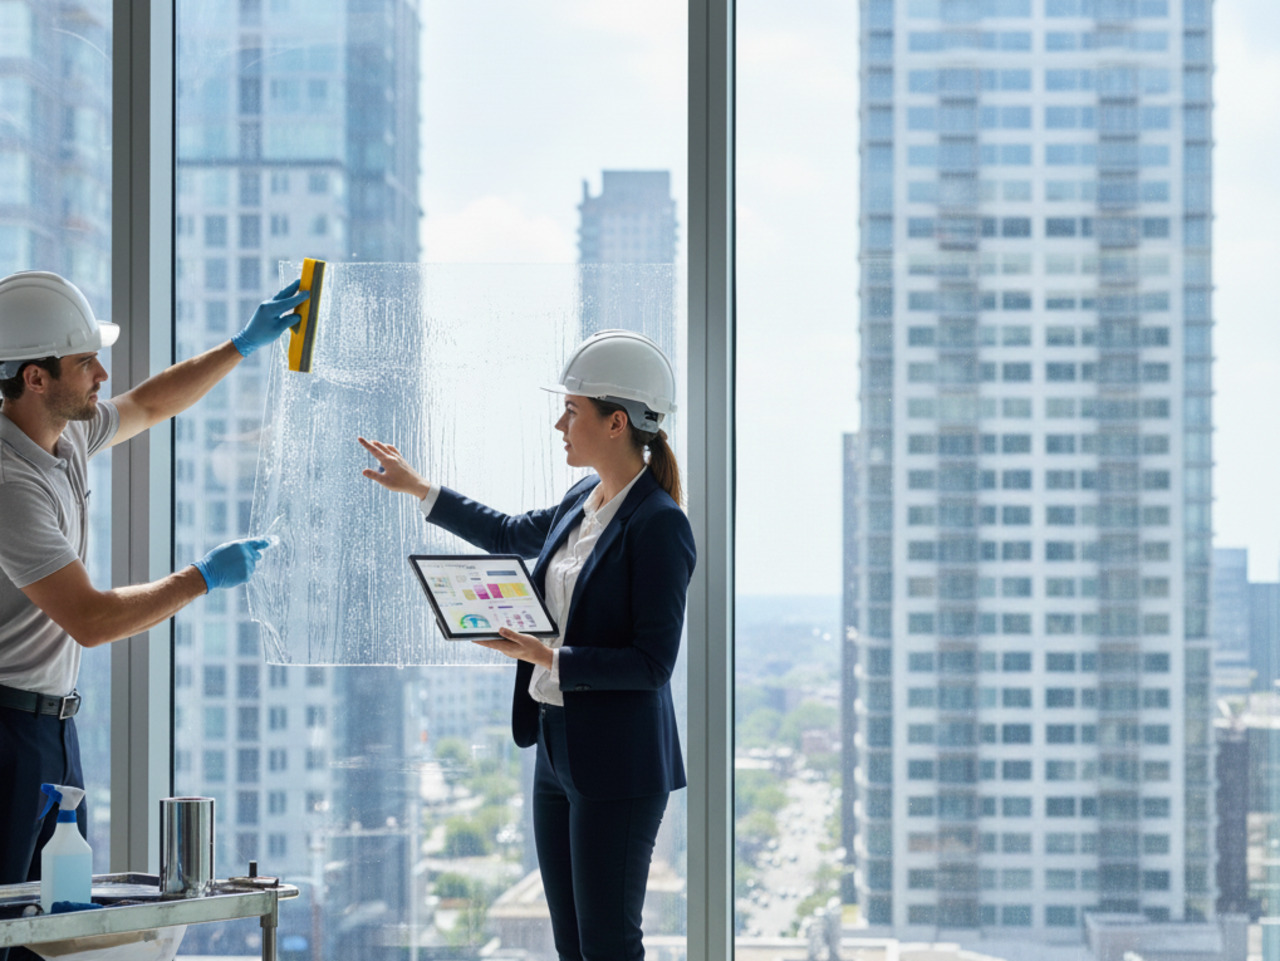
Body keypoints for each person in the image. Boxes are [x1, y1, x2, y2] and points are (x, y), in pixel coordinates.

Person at [359, 329, 695, 961]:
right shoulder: (583, 498)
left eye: (572, 410)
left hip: (618, 765)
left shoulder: (660, 525)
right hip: (555, 747)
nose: (559, 423)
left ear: (616, 421)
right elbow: (510, 532)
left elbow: (653, 665)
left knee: (609, 945)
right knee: (571, 943)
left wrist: (548, 656)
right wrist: (419, 489)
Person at [0, 270, 303, 955]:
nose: (101, 372)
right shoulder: (9, 482)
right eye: (84, 362)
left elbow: (148, 405)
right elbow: (92, 618)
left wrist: (242, 345)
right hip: (8, 730)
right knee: (12, 924)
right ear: (35, 377)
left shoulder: (64, 433)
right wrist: (201, 576)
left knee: (52, 922)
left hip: (51, 727)